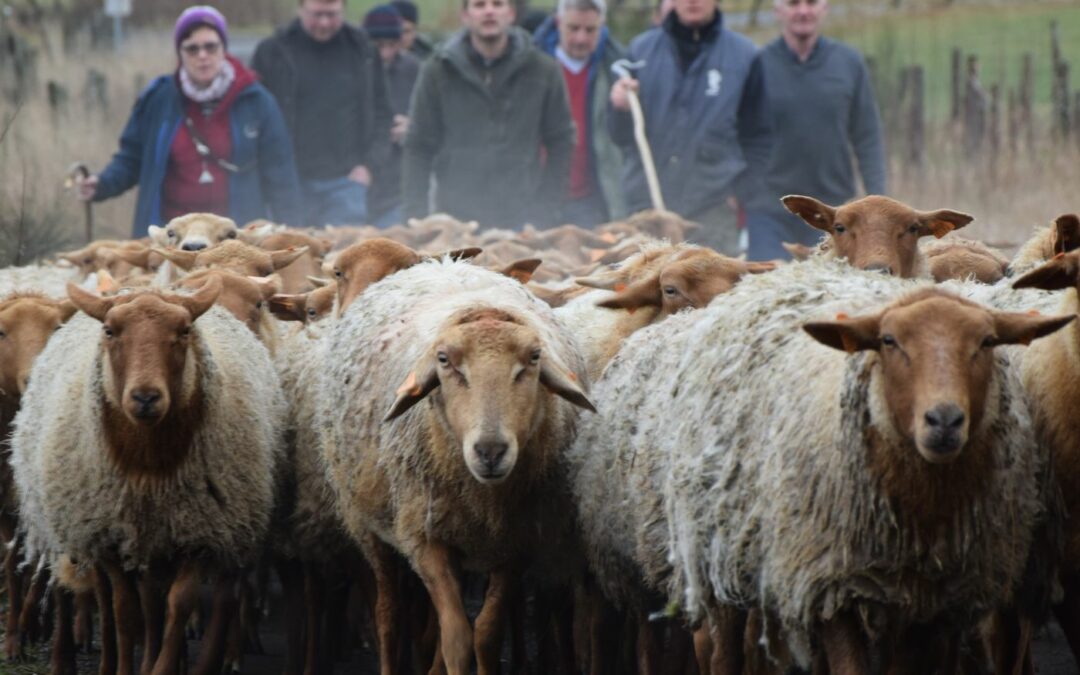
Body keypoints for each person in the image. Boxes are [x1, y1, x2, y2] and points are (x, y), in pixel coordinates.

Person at [76, 6, 301, 237]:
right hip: (173, 236)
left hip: (234, 238)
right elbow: (131, 158)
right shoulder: (158, 98)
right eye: (192, 49)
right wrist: (102, 184)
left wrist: (290, 231)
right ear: (180, 53)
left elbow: (280, 174)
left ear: (224, 49)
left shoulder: (256, 101)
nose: (202, 55)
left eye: (210, 47)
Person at [609, 0, 770, 255]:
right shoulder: (641, 51)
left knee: (710, 289)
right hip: (649, 206)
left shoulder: (744, 55)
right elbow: (620, 137)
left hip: (712, 209)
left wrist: (741, 192)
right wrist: (620, 108)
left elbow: (760, 136)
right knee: (644, 289)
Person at [403, 0, 574, 228]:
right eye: (480, 4)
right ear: (465, 15)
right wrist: (416, 215)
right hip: (455, 220)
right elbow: (418, 145)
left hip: (522, 220)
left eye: (497, 3)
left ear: (511, 13)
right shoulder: (438, 70)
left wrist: (545, 212)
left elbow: (561, 142)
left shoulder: (543, 70)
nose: (489, 11)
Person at [745, 0, 886, 261]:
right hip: (769, 212)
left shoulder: (848, 63)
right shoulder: (756, 65)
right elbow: (738, 131)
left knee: (829, 293)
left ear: (825, 7)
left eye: (811, 2)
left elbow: (867, 136)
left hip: (832, 212)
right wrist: (740, 188)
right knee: (765, 289)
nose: (803, 11)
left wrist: (876, 198)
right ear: (778, 10)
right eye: (793, 3)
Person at [252, 0, 392, 226]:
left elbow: (383, 113)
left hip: (347, 183)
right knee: (293, 256)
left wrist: (370, 166)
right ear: (300, 8)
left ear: (344, 9)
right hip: (290, 184)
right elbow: (254, 118)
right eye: (317, 15)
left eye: (332, 15)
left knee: (343, 259)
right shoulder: (272, 51)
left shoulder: (363, 49)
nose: (324, 23)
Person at [534, 0, 626, 226]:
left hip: (591, 199)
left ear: (602, 26)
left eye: (590, 30)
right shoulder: (531, 66)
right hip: (537, 195)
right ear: (558, 22)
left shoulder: (617, 68)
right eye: (573, 28)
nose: (581, 38)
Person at [363, 4, 420, 228]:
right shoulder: (355, 69)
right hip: (361, 180)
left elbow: (433, 121)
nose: (385, 53)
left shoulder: (413, 69)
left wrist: (411, 126)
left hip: (396, 185)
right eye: (378, 46)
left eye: (392, 45)